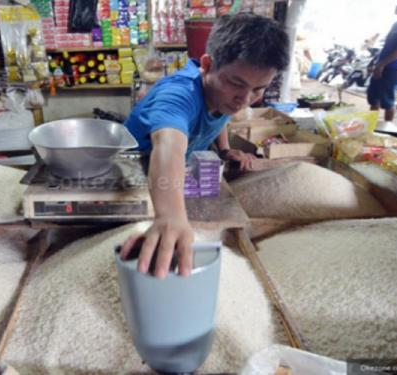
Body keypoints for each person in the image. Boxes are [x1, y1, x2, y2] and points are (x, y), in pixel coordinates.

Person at [119, 13, 290, 279]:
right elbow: (168, 145)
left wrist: (224, 150)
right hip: (131, 181)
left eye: (259, 89)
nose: (244, 100)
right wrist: (171, 216)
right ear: (207, 65)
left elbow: (219, 116)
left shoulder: (221, 95)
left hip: (167, 180)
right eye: (237, 84)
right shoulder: (178, 96)